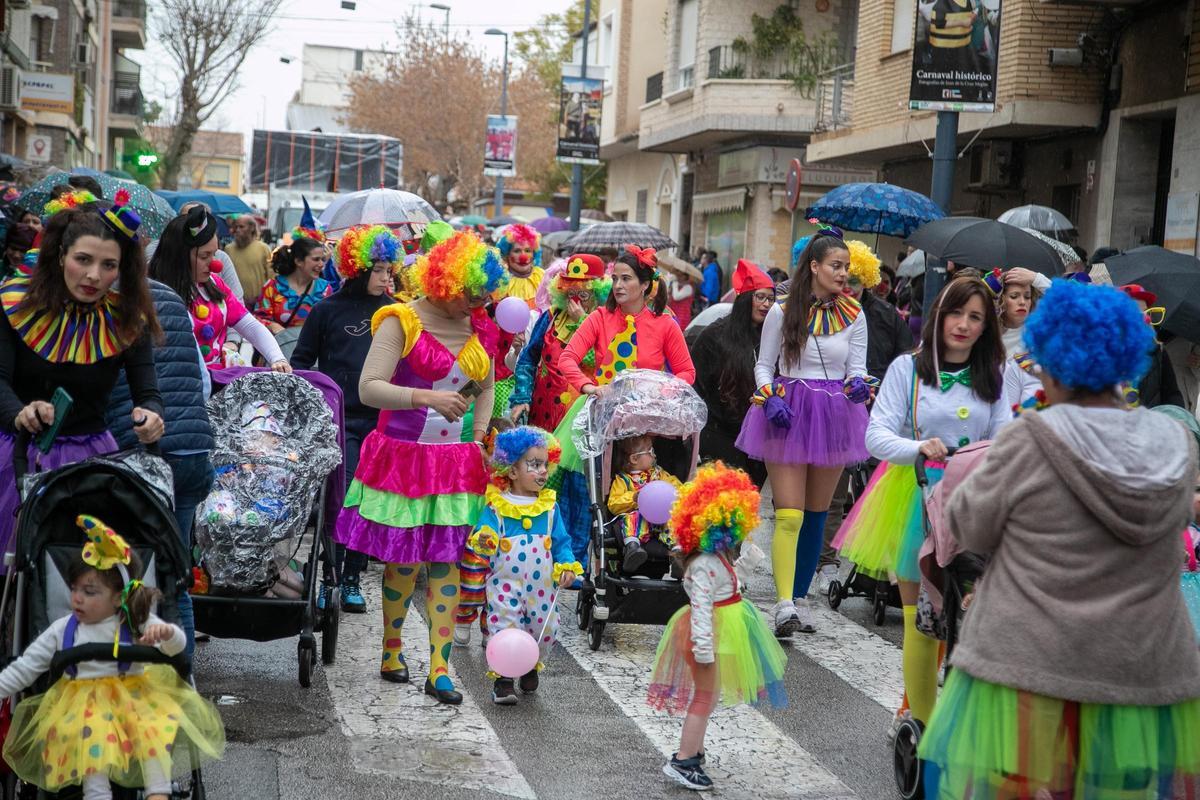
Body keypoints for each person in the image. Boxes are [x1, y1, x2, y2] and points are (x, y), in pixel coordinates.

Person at [919, 280, 1200, 798]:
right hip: (1141, 665)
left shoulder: (1030, 439)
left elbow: (967, 525)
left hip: (1031, 661)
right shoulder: (1174, 441)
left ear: (1048, 358)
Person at [335, 230, 507, 705]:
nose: (479, 303)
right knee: (404, 559)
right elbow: (369, 388)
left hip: (455, 463)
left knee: (446, 559)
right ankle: (392, 650)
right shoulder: (401, 320)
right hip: (403, 457)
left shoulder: (479, 326)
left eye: (484, 295)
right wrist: (426, 396)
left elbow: (486, 385)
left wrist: (478, 434)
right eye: (471, 294)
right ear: (447, 283)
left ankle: (440, 667)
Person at [833, 276, 1008, 734]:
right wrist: (918, 447)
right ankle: (920, 722)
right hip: (915, 498)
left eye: (976, 317)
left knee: (967, 616)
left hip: (974, 503)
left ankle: (953, 718)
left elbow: (1008, 437)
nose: (964, 325)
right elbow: (876, 434)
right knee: (919, 618)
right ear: (939, 316)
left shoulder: (994, 375)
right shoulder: (906, 370)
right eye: (956, 313)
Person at [0, 515, 225, 799]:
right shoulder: (64, 629)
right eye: (74, 590)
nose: (78, 598)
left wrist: (165, 632)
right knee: (93, 745)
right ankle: (98, 795)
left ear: (118, 597)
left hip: (134, 698)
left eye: (89, 591)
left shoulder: (135, 620)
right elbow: (26, 668)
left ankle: (159, 791)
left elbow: (176, 648)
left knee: (152, 729)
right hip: (83, 709)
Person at [0, 193, 164, 561]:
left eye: (109, 265)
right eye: (83, 260)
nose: (94, 276)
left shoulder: (126, 320)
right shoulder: (14, 302)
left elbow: (148, 392)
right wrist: (20, 413)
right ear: (60, 256)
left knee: (82, 580)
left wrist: (152, 415)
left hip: (90, 466)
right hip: (16, 457)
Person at [735, 225, 874, 636]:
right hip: (788, 413)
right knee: (790, 515)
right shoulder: (781, 311)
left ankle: (799, 599)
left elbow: (857, 368)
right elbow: (764, 364)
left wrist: (859, 385)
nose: (843, 273)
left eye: (847, 266)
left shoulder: (855, 314)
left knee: (816, 516)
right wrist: (768, 395)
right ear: (814, 267)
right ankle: (781, 606)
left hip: (833, 415)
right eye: (836, 265)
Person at [647, 463, 787, 792]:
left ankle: (692, 750)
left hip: (718, 630)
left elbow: (731, 585)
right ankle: (684, 760)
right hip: (705, 635)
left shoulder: (716, 557)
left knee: (708, 697)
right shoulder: (705, 565)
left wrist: (746, 564)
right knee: (704, 698)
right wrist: (704, 649)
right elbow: (701, 609)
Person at [555, 245, 696, 570]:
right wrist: (590, 387)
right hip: (603, 416)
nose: (618, 285)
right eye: (615, 278)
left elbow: (687, 372)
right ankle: (576, 562)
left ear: (645, 284)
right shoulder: (599, 318)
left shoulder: (665, 324)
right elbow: (568, 359)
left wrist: (660, 391)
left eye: (626, 278)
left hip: (647, 420)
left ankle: (651, 542)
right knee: (591, 492)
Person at [292, 225, 401, 613]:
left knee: (370, 502)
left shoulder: (397, 313)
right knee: (341, 501)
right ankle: (331, 577)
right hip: (339, 421)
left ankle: (352, 577)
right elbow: (301, 362)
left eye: (391, 269)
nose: (388, 277)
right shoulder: (326, 310)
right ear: (357, 268)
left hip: (384, 422)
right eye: (381, 269)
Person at [106, 276, 214, 659]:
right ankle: (184, 684)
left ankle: (134, 680)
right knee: (175, 574)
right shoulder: (168, 294)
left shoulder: (103, 302)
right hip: (192, 449)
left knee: (121, 574)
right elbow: (202, 380)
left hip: (134, 453)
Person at [816, 240, 913, 588]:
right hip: (835, 414)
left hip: (880, 416)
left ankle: (875, 569)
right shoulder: (823, 311)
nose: (849, 284)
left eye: (856, 278)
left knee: (877, 491)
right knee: (833, 495)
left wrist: (885, 389)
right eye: (844, 276)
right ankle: (825, 562)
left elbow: (906, 361)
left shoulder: (886, 316)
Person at [468, 426, 580, 705]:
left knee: (544, 628)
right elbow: (484, 534)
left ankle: (530, 664)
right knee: (505, 625)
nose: (543, 471)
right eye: (534, 464)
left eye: (545, 464)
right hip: (504, 583)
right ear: (512, 470)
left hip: (542, 586)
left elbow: (562, 541)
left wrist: (566, 564)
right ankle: (503, 680)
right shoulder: (497, 505)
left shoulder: (549, 507)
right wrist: (484, 538)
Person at [150, 205, 288, 371]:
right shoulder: (156, 293)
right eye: (204, 256)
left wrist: (277, 358)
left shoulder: (215, 284)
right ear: (179, 255)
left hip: (217, 378)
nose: (215, 263)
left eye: (214, 254)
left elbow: (250, 326)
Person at [690, 259, 773, 485]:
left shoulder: (772, 337)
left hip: (757, 437)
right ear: (746, 299)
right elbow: (695, 384)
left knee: (749, 504)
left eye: (770, 298)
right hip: (718, 434)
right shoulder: (714, 335)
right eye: (760, 297)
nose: (766, 304)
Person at [507, 252, 610, 431]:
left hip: (580, 414)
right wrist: (522, 397)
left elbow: (600, 361)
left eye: (583, 295)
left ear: (597, 294)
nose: (576, 301)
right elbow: (528, 359)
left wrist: (583, 322)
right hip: (542, 410)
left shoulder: (605, 321)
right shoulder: (551, 316)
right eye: (571, 293)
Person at [490, 223, 545, 418]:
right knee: (502, 412)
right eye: (517, 250)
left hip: (537, 356)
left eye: (528, 250)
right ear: (507, 254)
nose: (523, 256)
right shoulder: (499, 280)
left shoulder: (542, 278)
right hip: (504, 356)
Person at [608, 434, 684, 572]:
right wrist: (634, 498)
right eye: (650, 452)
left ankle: (677, 553)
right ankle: (632, 548)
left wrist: (676, 493)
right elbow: (614, 504)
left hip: (662, 517)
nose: (654, 456)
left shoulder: (659, 474)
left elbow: (675, 485)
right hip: (640, 520)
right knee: (631, 517)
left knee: (674, 519)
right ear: (634, 458)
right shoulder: (623, 480)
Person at [1120, 284, 1185, 408]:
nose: (1144, 319)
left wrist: (1178, 418)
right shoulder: (1103, 355)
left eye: (1146, 312)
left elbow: (1172, 394)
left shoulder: (1157, 349)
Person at [254, 236, 333, 333]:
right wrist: (273, 326)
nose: (321, 264)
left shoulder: (325, 289)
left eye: (323, 259)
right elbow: (258, 319)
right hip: (280, 346)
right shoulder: (272, 287)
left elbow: (331, 324)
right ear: (298, 261)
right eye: (316, 259)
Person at [225, 214, 273, 306]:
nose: (237, 230)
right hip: (235, 303)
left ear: (251, 228)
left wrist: (262, 298)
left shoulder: (263, 248)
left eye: (241, 227)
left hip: (259, 303)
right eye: (236, 227)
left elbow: (272, 278)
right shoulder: (228, 249)